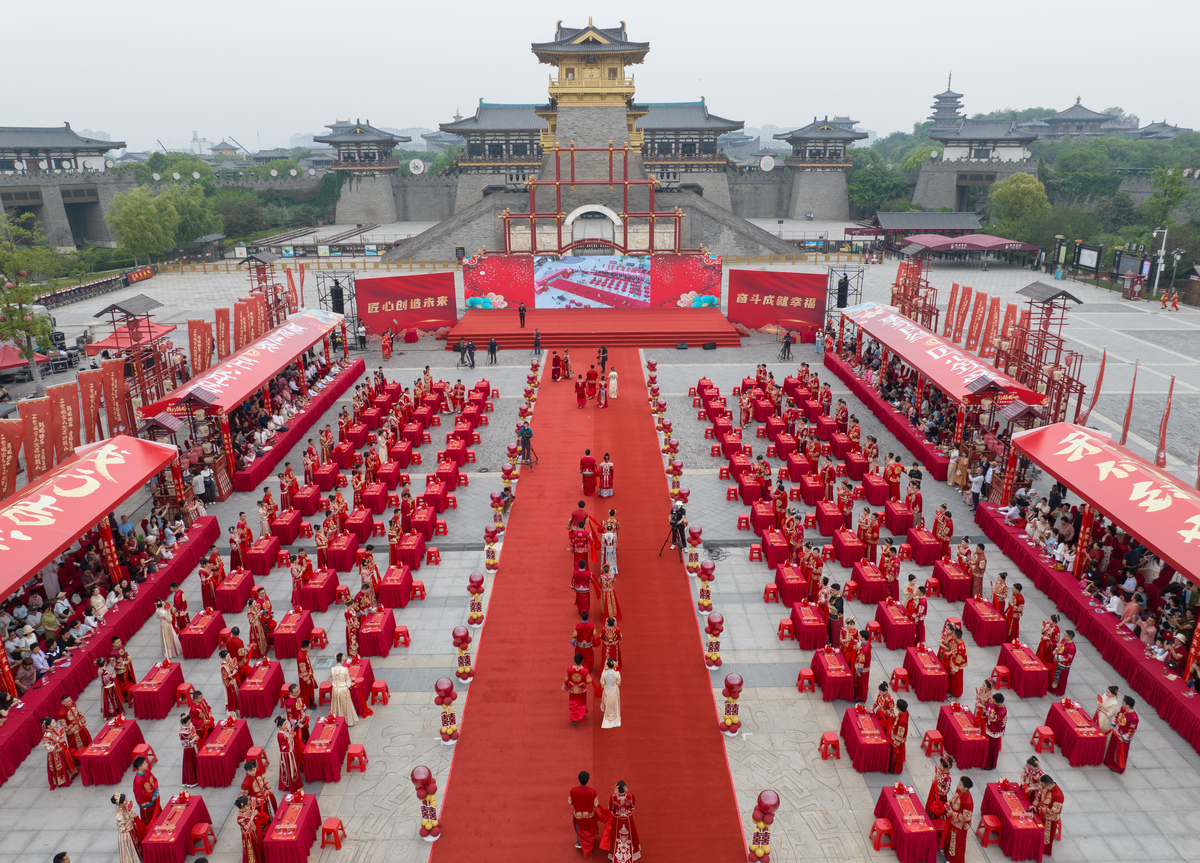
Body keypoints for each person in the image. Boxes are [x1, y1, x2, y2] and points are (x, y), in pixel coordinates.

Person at [604, 780, 640, 862]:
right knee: (630, 834)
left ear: (617, 789)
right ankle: (631, 851)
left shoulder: (613, 798)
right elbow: (633, 806)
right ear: (625, 788)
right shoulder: (630, 797)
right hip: (628, 819)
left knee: (616, 835)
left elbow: (610, 809)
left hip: (617, 820)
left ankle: (615, 852)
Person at [940, 777, 974, 863]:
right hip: (951, 820)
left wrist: (952, 813)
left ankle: (953, 860)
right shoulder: (959, 790)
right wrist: (948, 803)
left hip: (959, 825)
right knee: (948, 837)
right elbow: (954, 798)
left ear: (965, 788)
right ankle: (946, 852)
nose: (958, 785)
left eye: (960, 784)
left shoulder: (968, 801)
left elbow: (966, 817)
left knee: (955, 843)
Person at [1030, 775, 1063, 857]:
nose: (1041, 787)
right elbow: (1039, 796)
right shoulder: (1044, 787)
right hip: (1040, 811)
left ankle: (1043, 850)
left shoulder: (1058, 795)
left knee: (1046, 837)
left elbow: (1055, 810)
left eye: (1043, 785)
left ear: (1049, 785)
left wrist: (1041, 809)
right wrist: (1034, 805)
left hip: (1050, 818)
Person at [1104, 696, 1138, 773]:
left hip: (1122, 737)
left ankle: (1117, 768)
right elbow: (1118, 715)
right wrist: (1113, 724)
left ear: (1128, 705)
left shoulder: (1134, 718)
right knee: (1112, 747)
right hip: (1116, 732)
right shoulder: (1123, 709)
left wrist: (1124, 737)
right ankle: (1109, 762)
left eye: (1123, 702)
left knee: (1119, 752)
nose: (1122, 703)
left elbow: (1131, 730)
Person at [569, 770, 600, 855]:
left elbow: (570, 801)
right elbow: (595, 803)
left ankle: (579, 842)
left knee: (578, 828)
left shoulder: (573, 790)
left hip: (578, 815)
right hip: (589, 815)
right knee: (589, 829)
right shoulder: (592, 791)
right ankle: (590, 842)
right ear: (588, 780)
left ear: (579, 779)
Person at [41, 717, 76, 789]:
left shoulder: (55, 729)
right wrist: (59, 743)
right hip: (55, 754)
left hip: (61, 750)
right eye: (53, 723)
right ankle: (62, 780)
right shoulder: (46, 736)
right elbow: (48, 748)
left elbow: (59, 735)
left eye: (55, 722)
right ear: (48, 726)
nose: (55, 723)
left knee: (65, 764)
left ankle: (69, 776)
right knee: (60, 767)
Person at [111, 793, 145, 863]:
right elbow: (122, 829)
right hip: (127, 835)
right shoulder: (119, 815)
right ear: (120, 804)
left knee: (137, 846)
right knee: (132, 851)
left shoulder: (125, 808)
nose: (127, 801)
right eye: (125, 801)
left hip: (132, 830)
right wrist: (130, 819)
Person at [236, 794, 269, 863]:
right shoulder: (240, 818)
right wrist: (252, 816)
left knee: (257, 846)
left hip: (253, 830)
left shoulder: (246, 808)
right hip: (248, 835)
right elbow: (246, 827)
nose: (248, 805)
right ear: (244, 805)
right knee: (252, 850)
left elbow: (250, 798)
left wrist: (252, 812)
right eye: (247, 804)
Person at [329, 653, 360, 726]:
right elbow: (348, 680)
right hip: (343, 689)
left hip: (335, 689)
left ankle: (337, 720)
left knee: (336, 704)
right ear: (342, 660)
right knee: (345, 706)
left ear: (336, 660)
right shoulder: (345, 669)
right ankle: (347, 721)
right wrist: (349, 685)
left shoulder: (332, 669)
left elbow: (332, 680)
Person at [274, 716, 303, 792]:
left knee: (293, 767)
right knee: (290, 769)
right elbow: (283, 747)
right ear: (279, 726)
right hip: (286, 754)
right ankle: (292, 785)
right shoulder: (280, 735)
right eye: (284, 724)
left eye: (286, 724)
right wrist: (290, 738)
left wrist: (292, 735)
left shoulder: (285, 730)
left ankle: (296, 783)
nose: (286, 726)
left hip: (290, 751)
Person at [563, 653, 594, 724]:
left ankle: (573, 717)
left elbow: (566, 679)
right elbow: (589, 680)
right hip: (581, 690)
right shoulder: (585, 671)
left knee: (572, 703)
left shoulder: (570, 669)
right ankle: (580, 715)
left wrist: (565, 687)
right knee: (581, 703)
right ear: (582, 660)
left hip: (573, 690)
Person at [132, 755, 162, 827]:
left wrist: (156, 792)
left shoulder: (147, 772)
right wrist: (152, 797)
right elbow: (141, 795)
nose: (147, 764)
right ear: (140, 767)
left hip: (154, 797)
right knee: (150, 823)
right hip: (147, 805)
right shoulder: (138, 781)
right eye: (145, 763)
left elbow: (154, 780)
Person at [982, 692, 1007, 770]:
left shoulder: (1002, 711)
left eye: (994, 701)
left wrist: (987, 710)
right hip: (991, 728)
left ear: (998, 702)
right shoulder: (997, 705)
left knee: (992, 749)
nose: (992, 702)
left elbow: (993, 718)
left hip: (995, 731)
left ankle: (991, 765)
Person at [1049, 630, 1076, 696]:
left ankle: (1057, 691)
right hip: (1057, 662)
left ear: (1069, 638)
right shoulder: (1064, 640)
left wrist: (1058, 657)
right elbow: (1059, 646)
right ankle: (1051, 688)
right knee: (1054, 675)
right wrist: (1055, 650)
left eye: (1065, 636)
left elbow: (1069, 658)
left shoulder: (1072, 647)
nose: (1063, 636)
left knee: (1060, 679)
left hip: (1063, 666)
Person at [925, 755, 953, 820]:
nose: (939, 766)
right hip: (934, 792)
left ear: (946, 768)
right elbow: (936, 777)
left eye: (941, 765)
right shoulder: (940, 771)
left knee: (937, 811)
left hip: (940, 797)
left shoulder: (947, 778)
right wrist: (934, 779)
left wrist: (938, 787)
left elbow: (946, 791)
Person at [596, 658, 621, 729]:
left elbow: (602, 683)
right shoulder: (617, 673)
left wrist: (606, 686)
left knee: (607, 703)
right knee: (615, 703)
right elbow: (618, 683)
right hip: (614, 690)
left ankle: (607, 719)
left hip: (607, 690)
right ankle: (615, 719)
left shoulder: (604, 673)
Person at [889, 699, 909, 773]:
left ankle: (895, 769)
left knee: (896, 756)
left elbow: (900, 734)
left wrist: (895, 744)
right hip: (897, 737)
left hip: (898, 741)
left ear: (898, 708)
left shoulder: (902, 721)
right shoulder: (905, 712)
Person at [179, 714, 199, 788]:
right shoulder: (182, 733)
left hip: (194, 746)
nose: (190, 723)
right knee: (191, 764)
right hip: (189, 749)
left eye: (190, 721)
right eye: (188, 723)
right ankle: (193, 780)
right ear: (184, 723)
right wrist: (194, 739)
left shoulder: (190, 726)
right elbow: (184, 744)